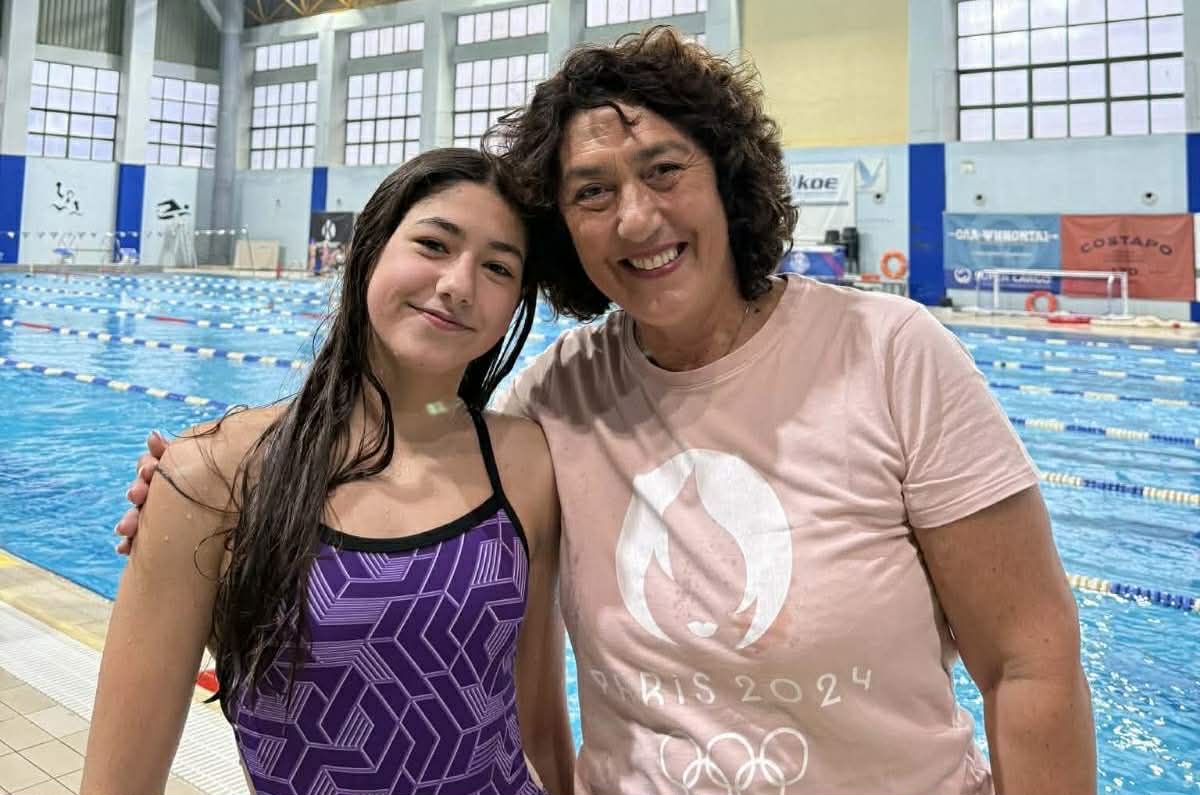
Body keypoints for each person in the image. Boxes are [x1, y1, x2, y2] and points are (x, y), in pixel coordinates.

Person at [116, 28, 1096, 795]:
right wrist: (198, 490)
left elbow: (1030, 661)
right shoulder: (555, 403)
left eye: (664, 170)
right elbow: (408, 455)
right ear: (568, 234)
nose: (635, 218)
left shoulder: (890, 353)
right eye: (592, 192)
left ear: (727, 177)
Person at [86, 149, 573, 795]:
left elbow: (540, 724)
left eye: (498, 267)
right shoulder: (214, 472)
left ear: (516, 302)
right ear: (371, 249)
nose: (459, 284)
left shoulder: (524, 462)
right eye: (433, 244)